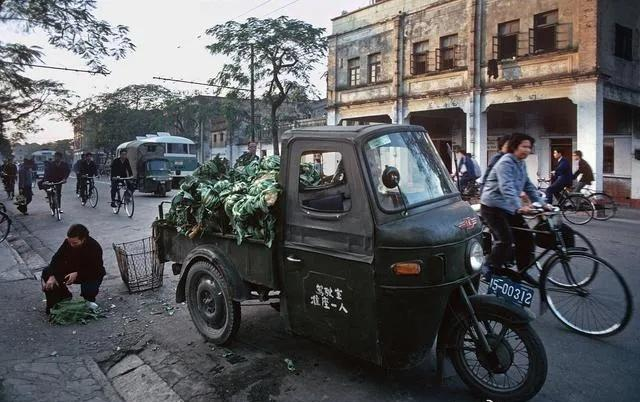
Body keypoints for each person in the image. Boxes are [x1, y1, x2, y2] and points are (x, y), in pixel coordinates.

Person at [480, 133, 551, 277]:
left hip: (508, 207)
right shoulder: (505, 162)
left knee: (526, 237)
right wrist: (519, 206)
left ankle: (522, 270)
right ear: (515, 146)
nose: (527, 150)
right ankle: (489, 267)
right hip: (492, 207)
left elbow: (528, 186)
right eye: (523, 146)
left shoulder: (521, 163)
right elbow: (506, 187)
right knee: (505, 240)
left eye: (529, 147)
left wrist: (542, 204)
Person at [41, 224, 105, 314]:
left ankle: (89, 298)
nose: (71, 245)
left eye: (75, 243)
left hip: (90, 274)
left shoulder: (94, 247)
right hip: (70, 271)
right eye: (70, 242)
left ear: (83, 239)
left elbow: (95, 269)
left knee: (88, 292)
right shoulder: (68, 242)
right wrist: (52, 275)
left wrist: (78, 273)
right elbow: (56, 259)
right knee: (47, 272)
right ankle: (63, 296)